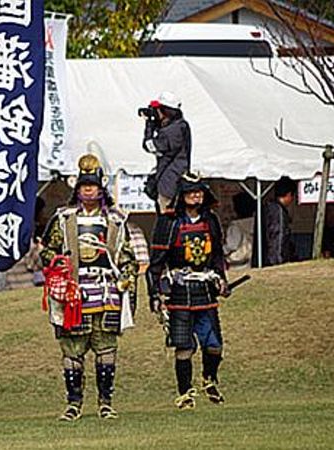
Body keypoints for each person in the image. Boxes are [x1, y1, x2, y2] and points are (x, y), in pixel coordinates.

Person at [40, 154, 138, 421]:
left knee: (106, 348)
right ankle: (73, 403)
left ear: (101, 188)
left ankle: (106, 402)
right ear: (77, 188)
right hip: (74, 290)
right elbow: (46, 251)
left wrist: (127, 277)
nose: (88, 189)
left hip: (107, 290)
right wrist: (58, 264)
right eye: (83, 185)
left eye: (92, 185)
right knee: (72, 350)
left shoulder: (116, 220)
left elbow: (127, 255)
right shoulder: (64, 219)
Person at [146, 172, 230, 410]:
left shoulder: (210, 220)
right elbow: (156, 263)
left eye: (199, 192)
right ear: (182, 196)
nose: (196, 196)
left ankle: (209, 379)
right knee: (184, 346)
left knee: (214, 344)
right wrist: (155, 294)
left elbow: (216, 256)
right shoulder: (168, 222)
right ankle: (184, 393)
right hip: (179, 291)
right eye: (191, 192)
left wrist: (221, 281)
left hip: (205, 289)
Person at [141, 91, 192, 213]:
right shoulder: (181, 125)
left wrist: (149, 125)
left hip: (169, 184)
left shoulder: (170, 131)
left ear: (165, 110)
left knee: (166, 220)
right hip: (176, 178)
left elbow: (149, 146)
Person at [253, 176, 295, 267]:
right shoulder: (278, 211)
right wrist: (278, 262)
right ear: (288, 194)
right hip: (274, 261)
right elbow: (277, 237)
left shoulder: (268, 207)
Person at [224, 192, 256, 270]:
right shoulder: (256, 223)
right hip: (250, 261)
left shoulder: (236, 226)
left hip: (237, 265)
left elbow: (231, 245)